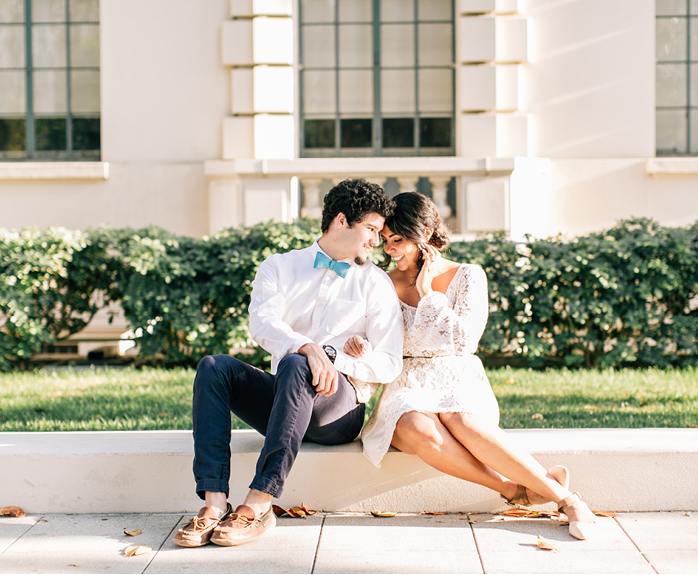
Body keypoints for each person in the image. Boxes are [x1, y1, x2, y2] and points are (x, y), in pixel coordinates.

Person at [355, 192, 598, 540]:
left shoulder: (468, 276)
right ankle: (515, 491)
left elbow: (464, 342)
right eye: (387, 241)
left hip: (457, 377)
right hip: (406, 383)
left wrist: (428, 295)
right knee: (414, 425)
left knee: (462, 419)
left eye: (400, 240)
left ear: (426, 235)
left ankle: (567, 500)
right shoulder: (381, 282)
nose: (391, 250)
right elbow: (373, 339)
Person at [174, 179, 403, 548]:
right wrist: (307, 346)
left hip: (337, 412)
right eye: (372, 230)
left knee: (297, 364)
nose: (376, 241)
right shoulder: (280, 266)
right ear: (342, 220)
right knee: (215, 367)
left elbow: (390, 363)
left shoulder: (375, 284)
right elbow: (262, 324)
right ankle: (214, 504)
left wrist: (330, 356)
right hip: (286, 400)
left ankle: (260, 503)